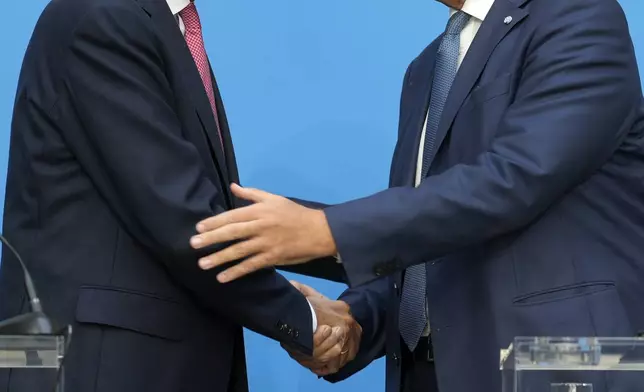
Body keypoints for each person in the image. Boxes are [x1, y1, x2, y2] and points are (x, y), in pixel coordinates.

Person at [190, 0, 644, 391]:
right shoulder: (428, 66)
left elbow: (513, 179)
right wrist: (354, 322)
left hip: (561, 360)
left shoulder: (577, 17)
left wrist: (324, 230)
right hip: (430, 371)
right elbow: (425, 248)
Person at [0, 0, 354, 391]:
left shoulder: (162, 26)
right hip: (91, 365)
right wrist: (305, 318)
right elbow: (184, 220)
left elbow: (203, 203)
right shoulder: (104, 15)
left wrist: (350, 240)